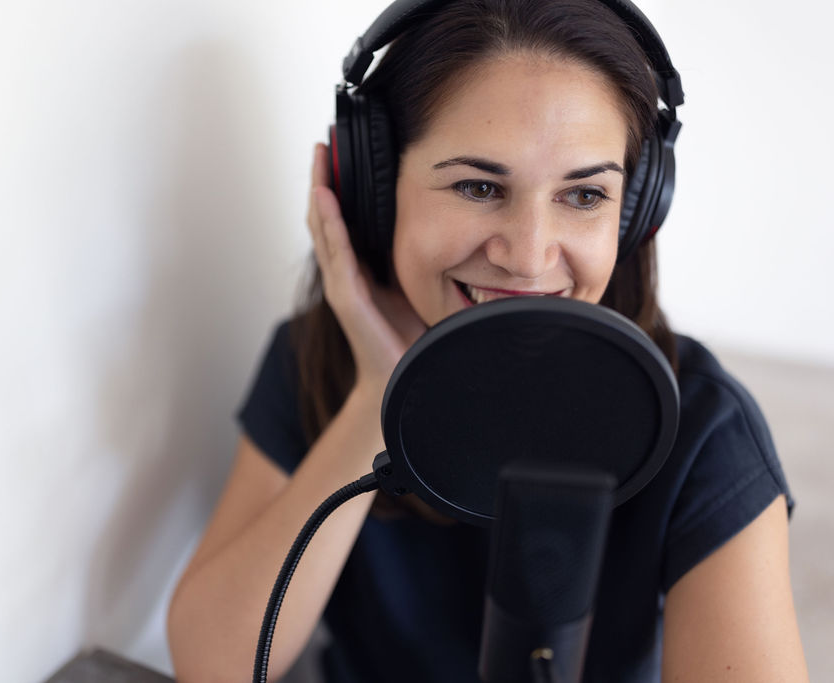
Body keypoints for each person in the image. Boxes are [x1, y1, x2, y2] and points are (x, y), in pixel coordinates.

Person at [167, 0, 809, 680]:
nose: (529, 257)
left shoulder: (705, 428)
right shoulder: (313, 361)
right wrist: (378, 393)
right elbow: (214, 665)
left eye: (585, 195)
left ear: (636, 210)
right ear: (372, 190)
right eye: (478, 185)